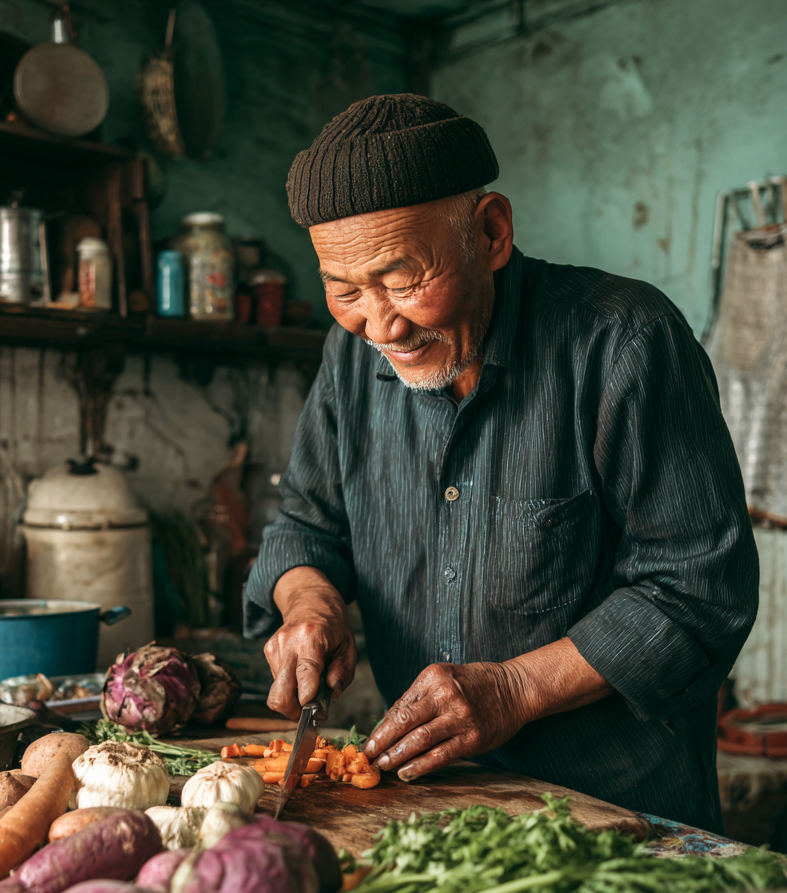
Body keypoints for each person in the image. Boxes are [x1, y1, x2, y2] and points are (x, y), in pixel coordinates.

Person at [244, 93, 758, 831]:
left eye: (402, 279)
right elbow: (306, 525)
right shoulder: (351, 357)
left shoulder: (624, 343)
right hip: (431, 802)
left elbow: (698, 588)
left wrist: (515, 689)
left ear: (490, 232)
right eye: (344, 289)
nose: (381, 323)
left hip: (616, 810)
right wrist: (309, 604)